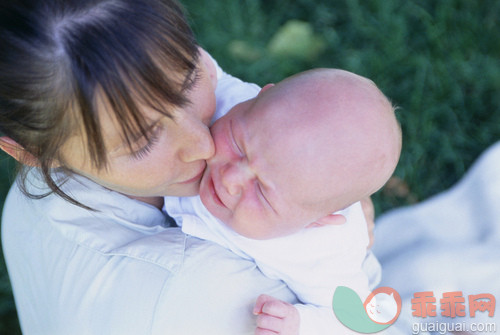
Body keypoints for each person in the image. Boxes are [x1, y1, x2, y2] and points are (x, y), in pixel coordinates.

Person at [0, 1, 300, 334]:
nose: (204, 144)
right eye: (141, 141)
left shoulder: (48, 172)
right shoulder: (214, 295)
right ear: (31, 151)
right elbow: (358, 315)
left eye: (188, 82)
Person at [165, 69, 402, 334]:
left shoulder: (323, 253)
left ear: (318, 221)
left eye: (263, 192)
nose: (231, 178)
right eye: (237, 143)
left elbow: (356, 320)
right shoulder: (232, 100)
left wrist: (301, 323)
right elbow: (196, 66)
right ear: (259, 96)